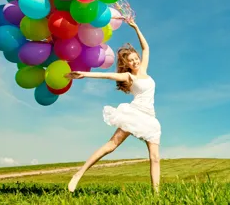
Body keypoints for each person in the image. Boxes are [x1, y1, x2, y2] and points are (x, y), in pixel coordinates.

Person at [64, 17, 161, 193]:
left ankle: (156, 196)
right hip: (135, 114)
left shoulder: (144, 70)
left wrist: (135, 27)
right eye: (130, 61)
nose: (134, 62)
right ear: (127, 65)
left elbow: (146, 48)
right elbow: (107, 76)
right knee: (111, 145)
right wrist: (84, 74)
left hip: (150, 118)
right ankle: (78, 175)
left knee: (155, 158)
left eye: (135, 58)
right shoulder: (129, 77)